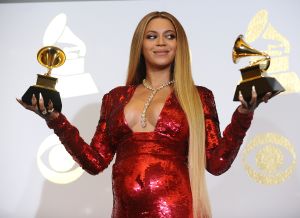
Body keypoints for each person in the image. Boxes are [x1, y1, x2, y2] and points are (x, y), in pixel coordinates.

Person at [17, 11, 273, 218]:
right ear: (140, 44)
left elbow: (217, 163)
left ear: (179, 44)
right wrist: (55, 120)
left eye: (169, 36)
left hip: (177, 211)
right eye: (152, 36)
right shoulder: (115, 97)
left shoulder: (198, 96)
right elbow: (95, 162)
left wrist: (243, 114)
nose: (161, 42)